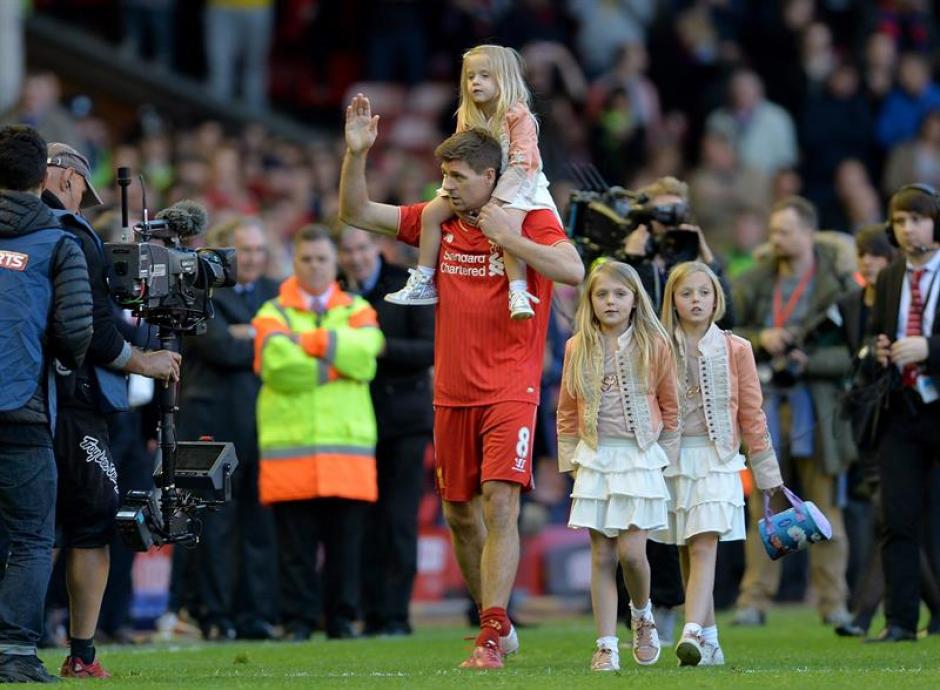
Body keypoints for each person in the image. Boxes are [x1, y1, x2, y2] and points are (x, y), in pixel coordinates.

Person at [339, 94, 584, 669]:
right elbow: (356, 212)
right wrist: (356, 156)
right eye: (442, 175)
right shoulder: (438, 222)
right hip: (450, 390)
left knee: (500, 503)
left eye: (457, 177)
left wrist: (510, 237)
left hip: (511, 387)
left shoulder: (529, 215)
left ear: (491, 177)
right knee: (458, 513)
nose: (445, 186)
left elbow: (573, 269)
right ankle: (493, 617)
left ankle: (492, 632)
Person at [40, 142, 181, 678]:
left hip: (22, 397)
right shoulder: (74, 235)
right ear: (68, 179)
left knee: (25, 527)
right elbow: (91, 327)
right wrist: (142, 360)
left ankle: (14, 642)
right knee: (90, 526)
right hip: (74, 401)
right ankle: (82, 653)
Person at [252, 225, 383, 640]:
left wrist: (306, 341)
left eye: (322, 259)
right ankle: (299, 622)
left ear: (335, 262)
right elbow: (278, 367)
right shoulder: (271, 312)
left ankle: (342, 620)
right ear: (295, 262)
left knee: (347, 549)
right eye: (306, 259)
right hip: (292, 450)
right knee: (295, 551)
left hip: (346, 451)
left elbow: (367, 361)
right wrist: (336, 361)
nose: (314, 266)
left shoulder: (358, 307)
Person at [731, 196, 856, 628]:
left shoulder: (840, 285)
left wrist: (811, 363)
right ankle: (754, 601)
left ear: (808, 233)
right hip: (766, 405)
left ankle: (833, 603)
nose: (775, 239)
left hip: (820, 409)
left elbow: (855, 355)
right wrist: (762, 337)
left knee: (826, 509)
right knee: (763, 507)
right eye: (774, 231)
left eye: (784, 231)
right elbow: (725, 331)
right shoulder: (754, 280)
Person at [653, 261, 783, 666]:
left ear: (716, 299)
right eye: (687, 293)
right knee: (687, 550)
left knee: (705, 542)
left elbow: (752, 413)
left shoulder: (736, 348)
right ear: (672, 300)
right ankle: (709, 639)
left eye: (704, 293)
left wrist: (766, 472)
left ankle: (690, 630)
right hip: (672, 460)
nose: (696, 301)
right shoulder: (656, 346)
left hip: (717, 458)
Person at [0, 125, 92, 684]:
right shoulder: (60, 241)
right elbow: (76, 332)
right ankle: (12, 650)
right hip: (23, 409)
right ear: (43, 178)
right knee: (33, 537)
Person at [555, 260, 679, 671]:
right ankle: (606, 643)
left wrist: (668, 459)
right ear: (590, 301)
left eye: (619, 294)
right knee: (601, 554)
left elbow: (670, 406)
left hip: (639, 457)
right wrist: (571, 462)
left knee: (632, 553)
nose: (611, 302)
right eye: (602, 294)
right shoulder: (578, 347)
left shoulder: (653, 344)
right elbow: (568, 411)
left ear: (634, 300)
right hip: (595, 457)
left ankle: (642, 614)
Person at [384, 44, 560, 320]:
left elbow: (521, 164)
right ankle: (424, 279)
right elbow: (457, 158)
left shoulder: (518, 115)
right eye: (470, 76)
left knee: (506, 225)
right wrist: (458, 193)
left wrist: (495, 202)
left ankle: (518, 290)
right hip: (479, 184)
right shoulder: (468, 114)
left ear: (504, 79)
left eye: (484, 76)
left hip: (519, 183)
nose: (475, 82)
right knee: (431, 213)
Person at [176, 216, 279, 640]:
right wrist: (268, 336)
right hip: (212, 427)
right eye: (244, 250)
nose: (252, 258)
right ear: (221, 252)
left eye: (258, 250)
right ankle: (213, 614)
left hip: (265, 426)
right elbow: (218, 346)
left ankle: (254, 614)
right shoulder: (199, 293)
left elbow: (288, 340)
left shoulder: (276, 293)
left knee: (259, 525)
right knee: (215, 523)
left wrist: (247, 335)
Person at [337, 225, 434, 636]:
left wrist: (380, 348)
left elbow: (431, 348)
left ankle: (394, 615)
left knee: (397, 520)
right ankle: (361, 610)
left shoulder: (409, 284)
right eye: (348, 250)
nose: (356, 257)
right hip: (351, 422)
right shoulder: (335, 290)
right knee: (358, 522)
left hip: (403, 422)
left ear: (377, 247)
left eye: (362, 247)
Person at [866, 184, 940, 642]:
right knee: (896, 517)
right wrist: (876, 349)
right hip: (901, 406)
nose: (908, 227)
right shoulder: (891, 275)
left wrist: (931, 348)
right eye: (899, 220)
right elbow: (874, 332)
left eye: (916, 217)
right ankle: (900, 621)